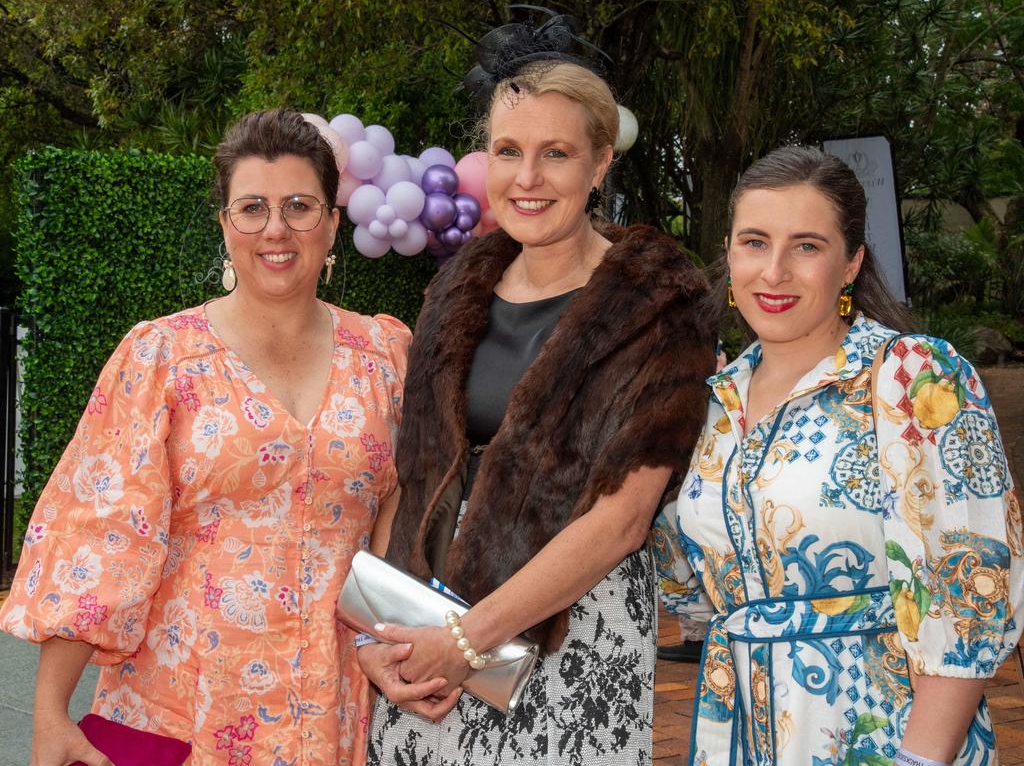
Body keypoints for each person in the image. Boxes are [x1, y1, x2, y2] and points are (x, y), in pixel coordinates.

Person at [0, 109, 411, 766]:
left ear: (332, 222)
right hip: (179, 718)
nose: (276, 229)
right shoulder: (162, 359)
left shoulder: (387, 357)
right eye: (252, 208)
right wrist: (49, 711)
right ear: (225, 225)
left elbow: (400, 507)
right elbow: (101, 536)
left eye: (300, 206)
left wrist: (383, 637)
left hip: (327, 721)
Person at [357, 43, 717, 766]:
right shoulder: (454, 292)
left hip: (572, 639)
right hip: (427, 632)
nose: (526, 178)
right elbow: (415, 472)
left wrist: (468, 641)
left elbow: (623, 518)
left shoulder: (660, 304)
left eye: (555, 153)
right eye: (507, 150)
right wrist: (377, 633)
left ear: (601, 162)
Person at [666, 145, 1023, 765]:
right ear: (728, 252)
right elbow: (692, 590)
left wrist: (921, 759)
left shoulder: (913, 378)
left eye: (807, 246)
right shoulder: (711, 404)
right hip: (737, 731)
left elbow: (968, 594)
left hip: (876, 732)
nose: (773, 271)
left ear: (852, 262)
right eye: (754, 242)